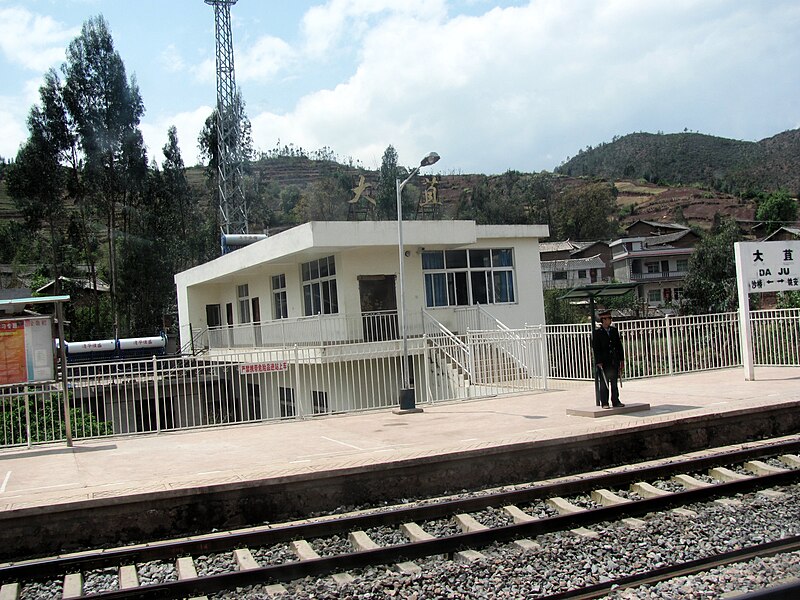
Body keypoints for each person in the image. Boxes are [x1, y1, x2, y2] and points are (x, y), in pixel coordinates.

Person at [592, 309, 625, 408]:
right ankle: (604, 402)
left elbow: (619, 346)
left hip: (613, 360)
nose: (610, 320)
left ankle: (615, 401)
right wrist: (599, 361)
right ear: (603, 320)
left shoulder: (614, 331)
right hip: (604, 361)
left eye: (610, 318)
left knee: (614, 382)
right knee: (604, 383)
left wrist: (621, 359)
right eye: (608, 318)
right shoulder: (597, 333)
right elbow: (596, 348)